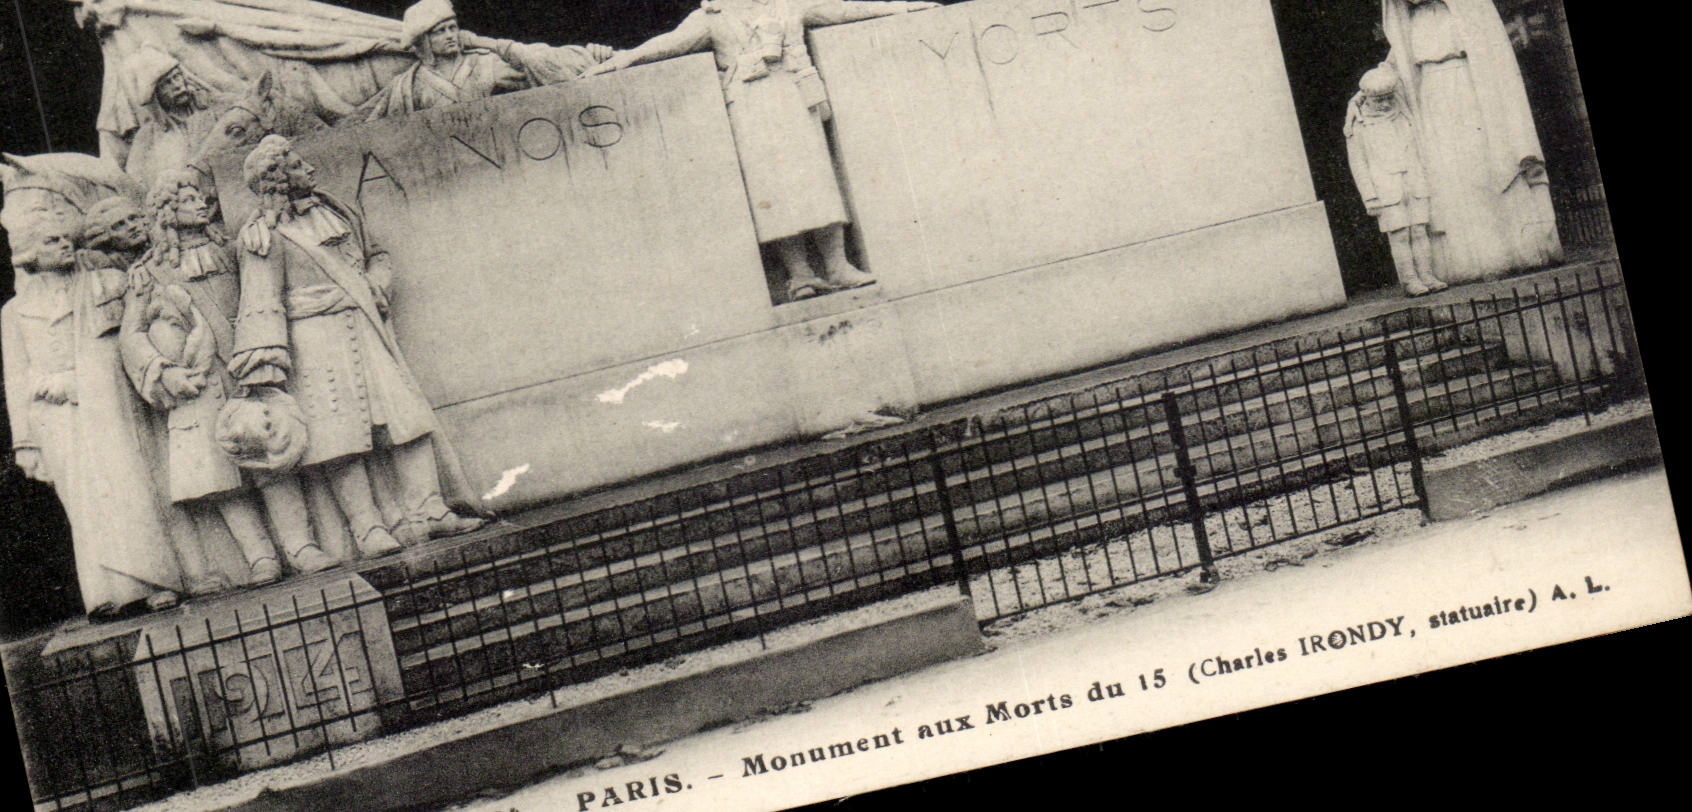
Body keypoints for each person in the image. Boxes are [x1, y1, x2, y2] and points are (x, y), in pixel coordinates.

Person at [229, 135, 484, 554]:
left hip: (364, 326)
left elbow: (376, 255)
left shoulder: (337, 208)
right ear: (276, 180)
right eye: (295, 163)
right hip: (312, 341)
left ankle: (430, 510)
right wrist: (266, 366)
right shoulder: (261, 236)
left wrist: (377, 282)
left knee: (405, 418)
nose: (306, 167)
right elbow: (259, 300)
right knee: (337, 439)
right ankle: (368, 529)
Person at [586, 0, 939, 302]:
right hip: (749, 105)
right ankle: (799, 273)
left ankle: (837, 265)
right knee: (769, 188)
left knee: (816, 177)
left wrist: (904, 7)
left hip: (795, 95)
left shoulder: (788, 3)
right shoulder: (712, 17)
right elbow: (669, 44)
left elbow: (841, 10)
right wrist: (624, 60)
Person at [121, 171, 332, 585]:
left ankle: (300, 545)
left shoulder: (231, 246)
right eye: (187, 201)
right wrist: (164, 372)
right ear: (167, 213)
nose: (201, 204)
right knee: (221, 479)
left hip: (245, 367)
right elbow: (132, 334)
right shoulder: (148, 272)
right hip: (198, 383)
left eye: (201, 198)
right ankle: (259, 558)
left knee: (271, 458)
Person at [3, 211, 191, 617]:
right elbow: (17, 376)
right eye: (51, 240)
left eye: (65, 237)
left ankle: (157, 580)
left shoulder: (104, 283)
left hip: (107, 403)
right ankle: (107, 591)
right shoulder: (13, 312)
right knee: (83, 502)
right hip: (56, 415)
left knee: (128, 486)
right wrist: (26, 444)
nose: (63, 244)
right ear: (29, 253)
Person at [1380, 0, 1562, 283]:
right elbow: (1400, 61)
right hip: (1432, 94)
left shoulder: (1469, 9)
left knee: (1482, 165)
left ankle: (1510, 251)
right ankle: (1466, 260)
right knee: (1449, 174)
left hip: (1467, 86)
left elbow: (1488, 53)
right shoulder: (1413, 20)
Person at [362, 0, 613, 121]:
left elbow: (549, 71)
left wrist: (592, 58)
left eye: (452, 28)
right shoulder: (407, 86)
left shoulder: (484, 64)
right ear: (423, 42)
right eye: (440, 31)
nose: (450, 36)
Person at [1345, 65, 1447, 298]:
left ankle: (1427, 275)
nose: (1384, 104)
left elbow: (1395, 73)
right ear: (1367, 99)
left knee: (1419, 230)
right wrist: (1369, 196)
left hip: (1413, 180)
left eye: (1388, 98)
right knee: (1400, 234)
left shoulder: (1403, 113)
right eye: (1378, 100)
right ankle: (1410, 280)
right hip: (1386, 188)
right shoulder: (1358, 125)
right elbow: (1358, 164)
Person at [105, 47, 228, 190]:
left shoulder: (214, 109)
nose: (177, 85)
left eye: (177, 77)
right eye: (166, 83)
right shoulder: (146, 138)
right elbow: (137, 183)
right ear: (155, 95)